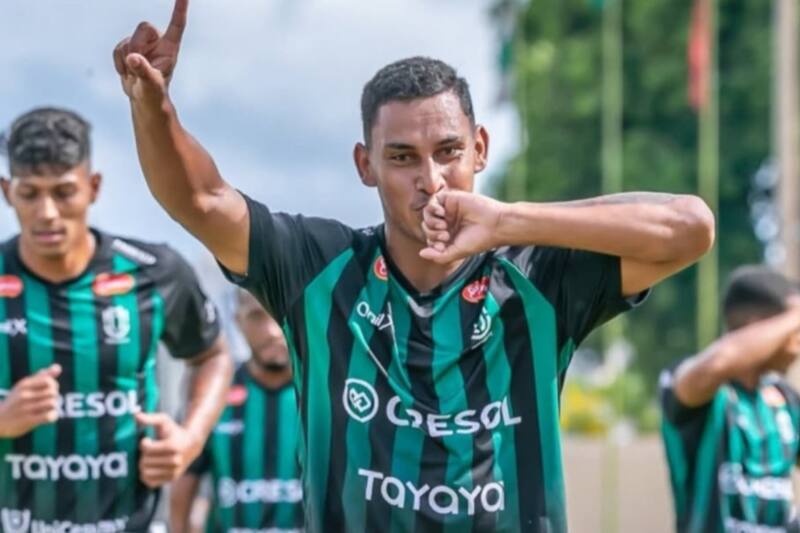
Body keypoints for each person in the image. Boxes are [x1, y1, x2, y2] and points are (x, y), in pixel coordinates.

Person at [112, 1, 715, 530]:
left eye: (449, 152)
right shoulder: (318, 269)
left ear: (480, 148)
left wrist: (509, 222)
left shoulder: (537, 277)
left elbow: (689, 229)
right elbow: (200, 200)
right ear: (364, 165)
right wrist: (151, 108)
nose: (431, 181)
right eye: (402, 157)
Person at [0, 107, 233, 532]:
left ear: (93, 187)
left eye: (63, 191)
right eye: (30, 193)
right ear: (6, 192)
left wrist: (189, 438)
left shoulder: (153, 272)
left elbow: (213, 355)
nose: (47, 212)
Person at [660, 266, 800, 533]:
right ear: (755, 329)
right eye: (791, 328)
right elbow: (719, 363)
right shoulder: (695, 386)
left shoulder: (786, 400)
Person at [170, 288, 302, 533]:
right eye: (256, 316)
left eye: (280, 314)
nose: (272, 331)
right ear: (237, 321)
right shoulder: (212, 394)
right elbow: (184, 485)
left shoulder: (326, 395)